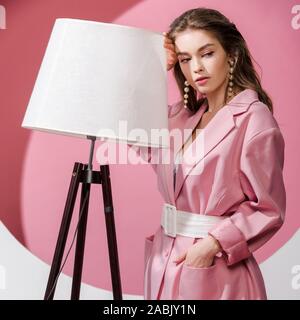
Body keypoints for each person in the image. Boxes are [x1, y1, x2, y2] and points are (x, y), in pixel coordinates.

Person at [138, 7, 286, 300]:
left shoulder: (253, 120)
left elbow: (268, 207)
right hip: (165, 260)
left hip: (215, 269)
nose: (196, 68)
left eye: (206, 53)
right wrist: (155, 66)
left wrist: (212, 245)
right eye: (185, 59)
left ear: (231, 53)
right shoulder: (180, 117)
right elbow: (127, 124)